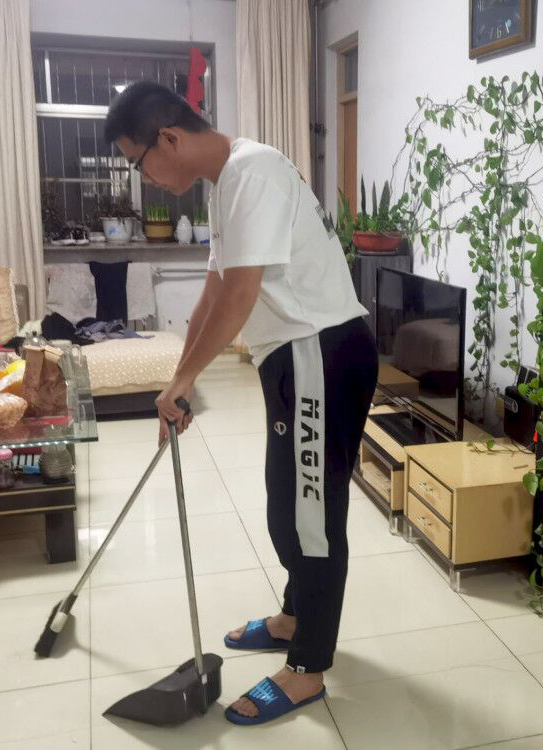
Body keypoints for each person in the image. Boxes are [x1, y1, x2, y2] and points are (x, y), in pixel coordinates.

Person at [104, 81, 378, 725]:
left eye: (138, 162)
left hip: (319, 352)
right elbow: (212, 291)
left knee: (307, 520)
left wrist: (184, 380)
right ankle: (295, 617)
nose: (145, 178)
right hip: (296, 359)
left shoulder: (252, 172)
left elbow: (240, 296)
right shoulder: (226, 183)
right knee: (289, 508)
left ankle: (307, 669)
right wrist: (178, 378)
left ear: (168, 138)